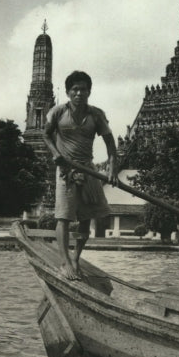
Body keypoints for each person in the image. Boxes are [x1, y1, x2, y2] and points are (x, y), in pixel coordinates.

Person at [43, 70, 118, 280]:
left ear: (89, 91)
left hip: (87, 168)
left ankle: (76, 257)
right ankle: (66, 262)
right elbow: (46, 135)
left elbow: (110, 143)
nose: (79, 93)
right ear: (68, 92)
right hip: (65, 170)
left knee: (87, 217)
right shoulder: (58, 112)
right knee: (64, 216)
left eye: (83, 89)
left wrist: (112, 168)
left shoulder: (96, 114)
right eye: (75, 89)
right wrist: (55, 153)